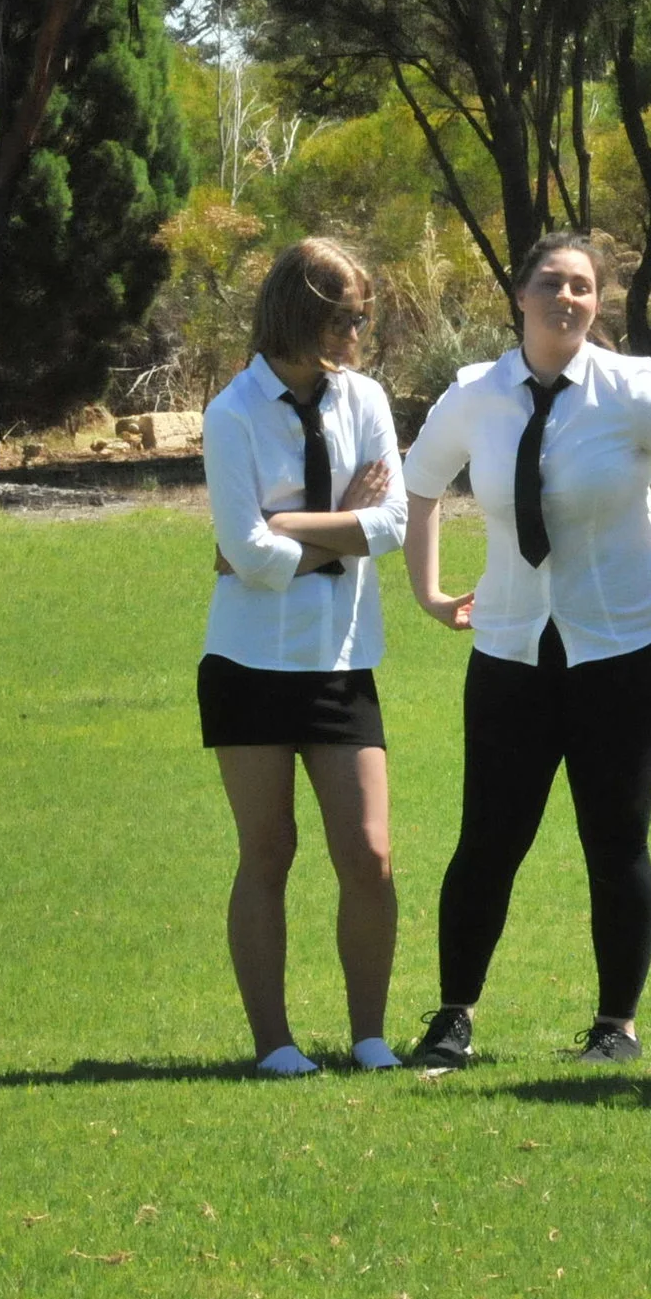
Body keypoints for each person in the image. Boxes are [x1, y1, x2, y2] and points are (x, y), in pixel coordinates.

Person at [401, 233, 651, 1068]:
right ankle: (453, 1020)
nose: (569, 299)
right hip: (511, 651)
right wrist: (427, 589)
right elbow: (420, 483)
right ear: (519, 295)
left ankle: (615, 1028)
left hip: (624, 649)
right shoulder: (474, 395)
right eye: (553, 283)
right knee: (487, 841)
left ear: (599, 304)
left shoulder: (631, 389)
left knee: (616, 840)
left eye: (585, 288)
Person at [200, 238, 408, 1077]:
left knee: (369, 853)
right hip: (249, 664)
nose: (362, 329)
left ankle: (368, 1036)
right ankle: (274, 1045)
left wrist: (288, 527)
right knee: (269, 851)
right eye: (349, 315)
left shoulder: (367, 401)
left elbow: (392, 526)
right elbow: (242, 556)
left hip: (342, 660)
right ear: (306, 314)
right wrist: (331, 537)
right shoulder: (233, 413)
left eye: (363, 313)